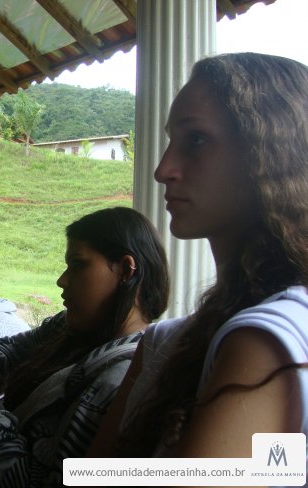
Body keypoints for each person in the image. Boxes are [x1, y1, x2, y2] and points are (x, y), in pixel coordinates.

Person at [86, 53, 308, 461]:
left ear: (271, 154)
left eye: (196, 140)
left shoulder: (269, 339)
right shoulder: (164, 342)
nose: (163, 169)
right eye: (172, 141)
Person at [0, 207, 169, 487]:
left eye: (77, 264)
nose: (62, 280)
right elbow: (7, 349)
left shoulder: (118, 380)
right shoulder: (68, 326)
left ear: (125, 270)